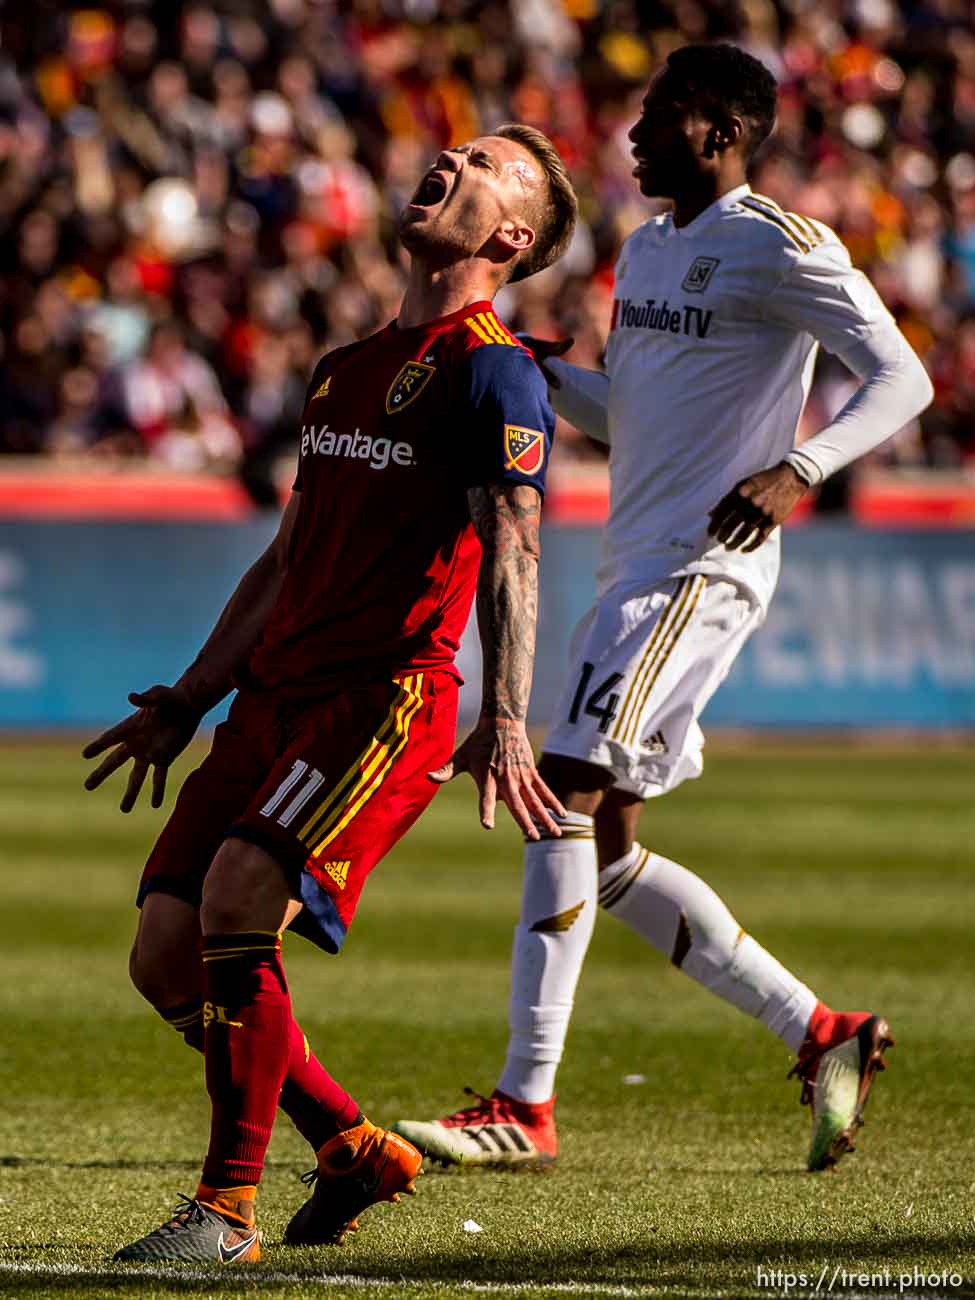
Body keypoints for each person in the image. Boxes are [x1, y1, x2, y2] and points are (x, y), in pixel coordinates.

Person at [392, 45, 933, 1176]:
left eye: (661, 116)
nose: (634, 136)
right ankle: (820, 1029)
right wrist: (537, 375)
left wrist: (801, 467)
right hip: (636, 563)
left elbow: (902, 376)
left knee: (561, 790)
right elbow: (633, 417)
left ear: (725, 130)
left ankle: (523, 1104)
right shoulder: (649, 248)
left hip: (700, 566)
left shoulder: (779, 244)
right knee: (615, 849)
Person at [82, 123, 577, 1263]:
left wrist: (506, 718)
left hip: (380, 700)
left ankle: (226, 1210)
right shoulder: (343, 369)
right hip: (271, 698)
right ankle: (351, 1145)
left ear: (510, 234)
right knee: (163, 956)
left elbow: (515, 545)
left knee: (241, 894)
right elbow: (284, 559)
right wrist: (192, 697)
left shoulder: (495, 368)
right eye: (451, 148)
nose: (451, 159)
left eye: (487, 164)